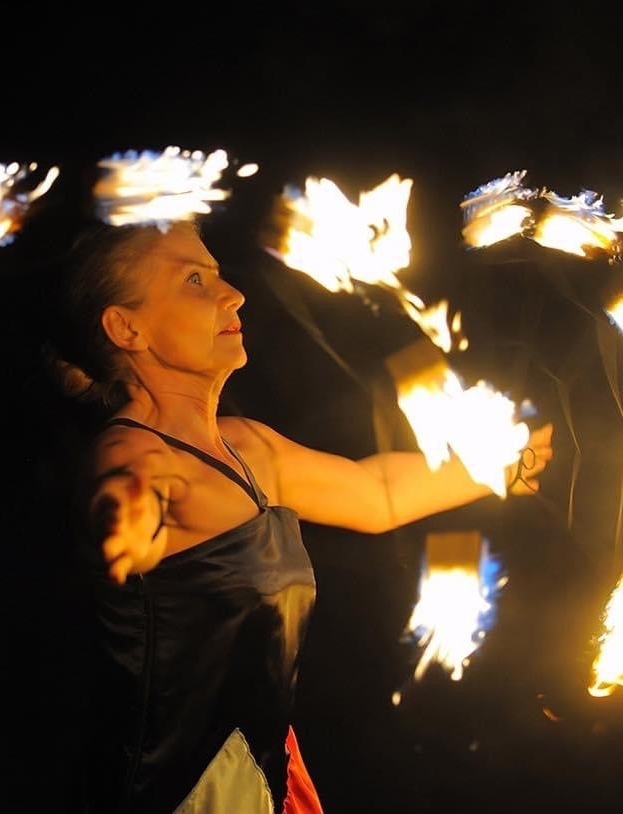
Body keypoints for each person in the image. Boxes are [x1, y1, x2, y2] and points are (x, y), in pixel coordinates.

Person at [46, 219, 554, 814]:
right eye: (193, 280)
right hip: (187, 789)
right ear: (126, 327)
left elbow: (378, 493)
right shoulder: (133, 450)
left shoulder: (249, 447)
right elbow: (127, 483)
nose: (234, 295)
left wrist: (505, 462)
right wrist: (127, 511)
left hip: (264, 769)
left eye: (217, 275)